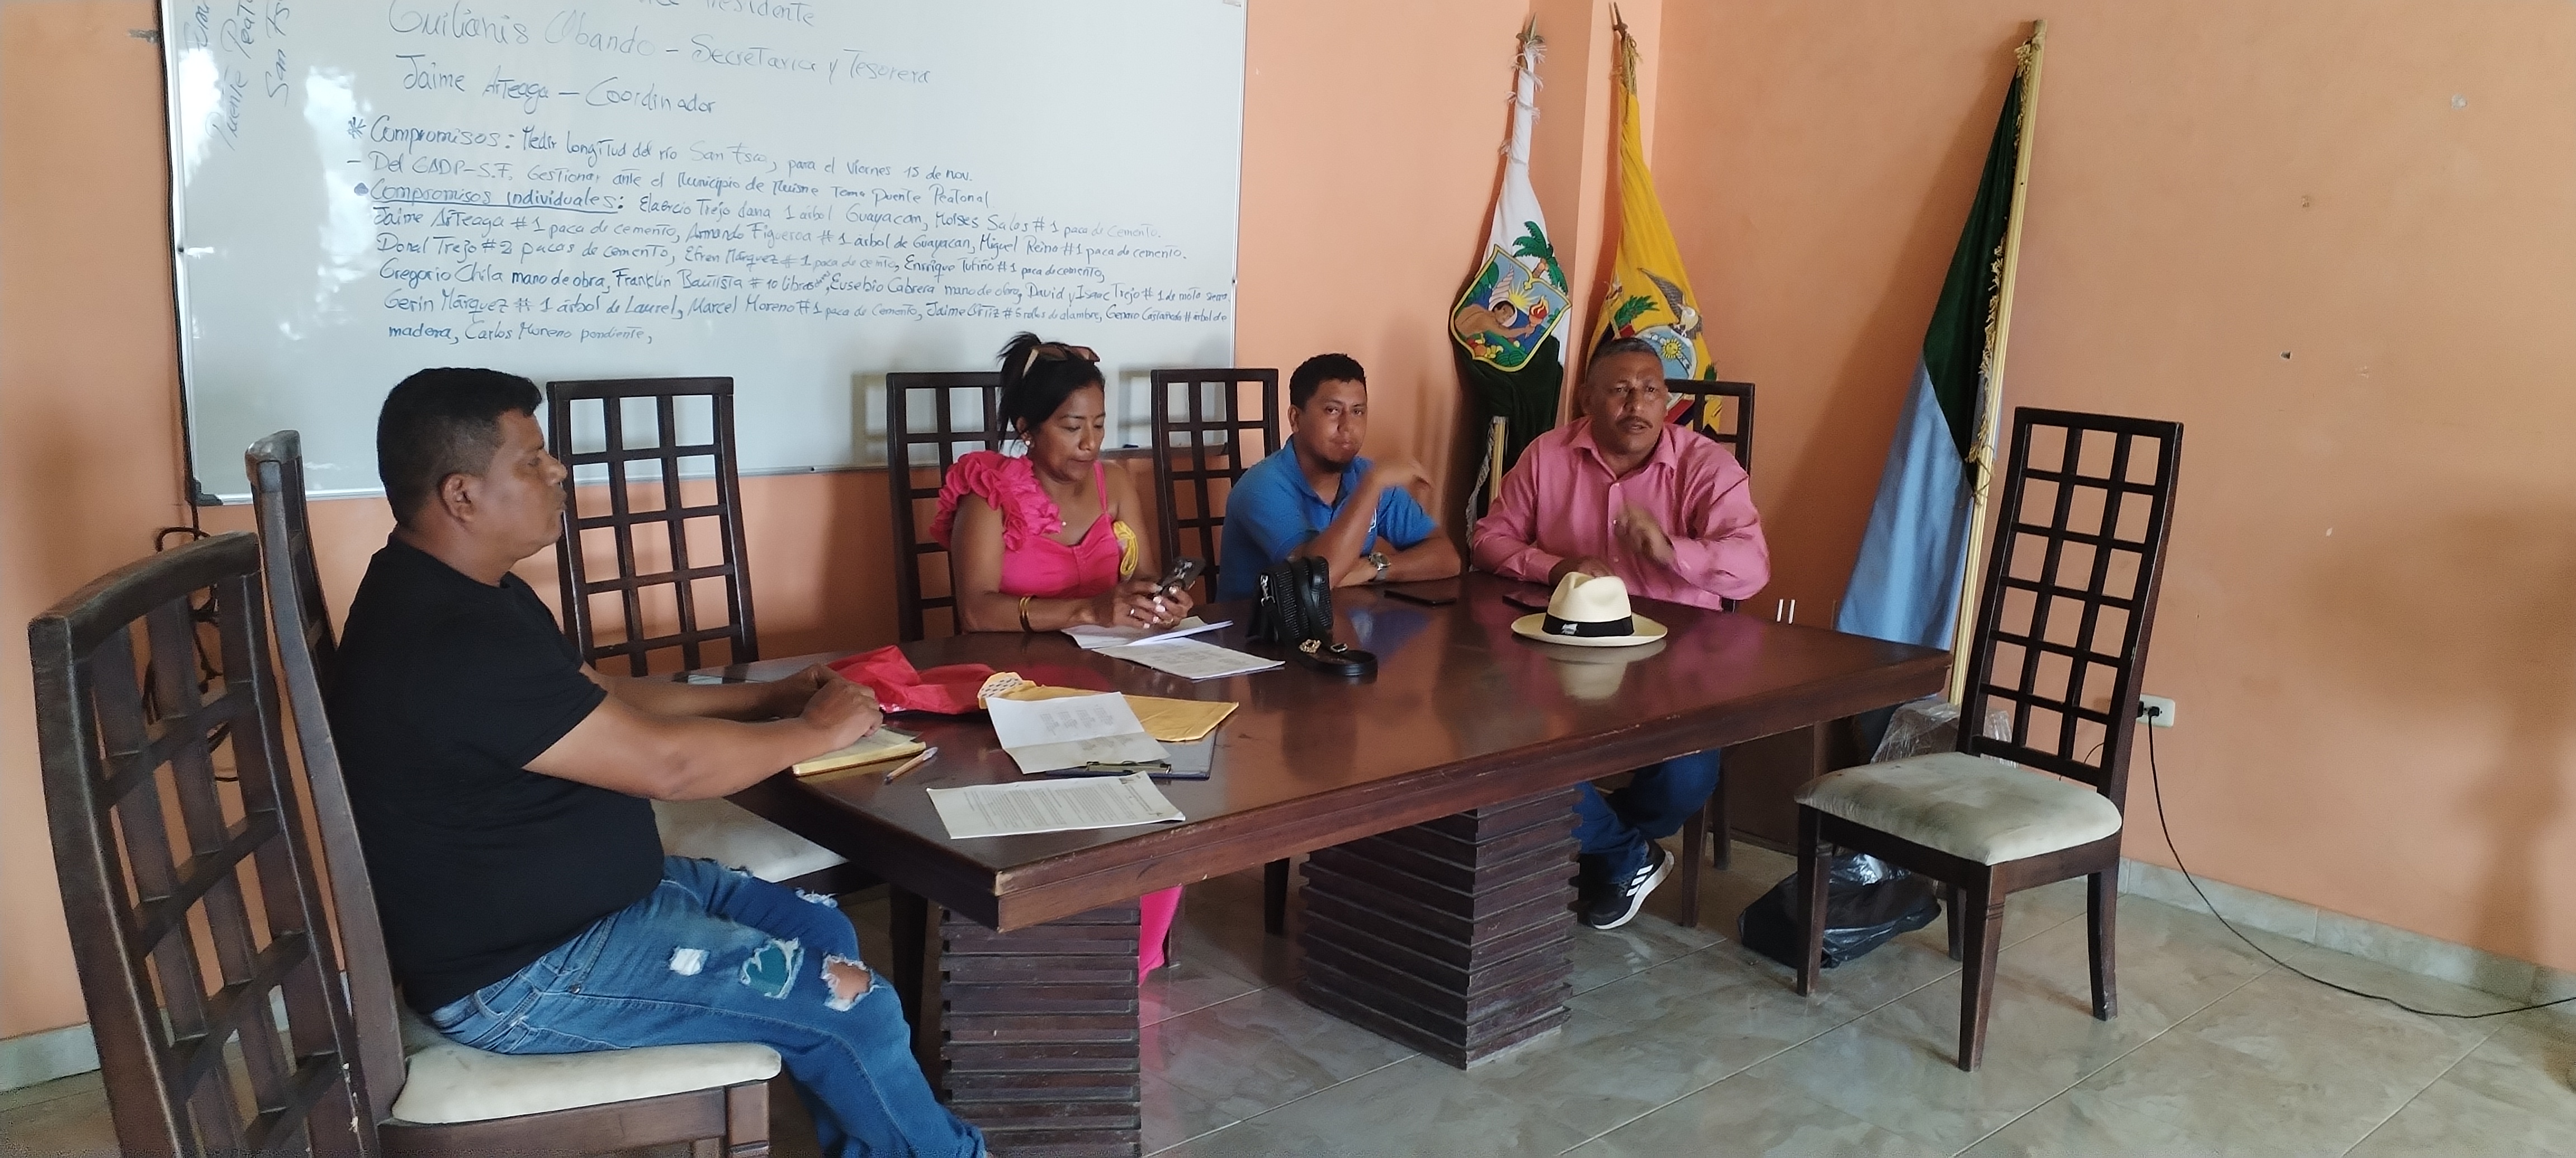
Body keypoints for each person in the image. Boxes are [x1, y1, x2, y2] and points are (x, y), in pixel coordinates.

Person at [330, 368, 982, 1158]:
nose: (558, 470)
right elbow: (668, 769)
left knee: (820, 927)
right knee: (858, 1006)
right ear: (461, 494)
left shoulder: (471, 590)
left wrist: (766, 699)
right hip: (530, 974)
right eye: (532, 460)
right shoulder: (449, 639)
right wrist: (814, 732)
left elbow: (601, 694)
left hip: (596, 902)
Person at [1469, 337, 1770, 931]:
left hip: (1677, 658)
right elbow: (1488, 540)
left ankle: (1602, 845)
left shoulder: (1705, 465)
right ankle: (1624, 855)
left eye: (1652, 390)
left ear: (1667, 400)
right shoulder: (1547, 455)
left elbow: (1752, 567)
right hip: (1564, 649)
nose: (1637, 404)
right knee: (1499, 738)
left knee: (1684, 777)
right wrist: (1556, 565)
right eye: (1620, 390)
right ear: (1587, 399)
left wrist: (1672, 551)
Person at [933, 333, 1190, 976]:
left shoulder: (1116, 483)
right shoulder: (989, 493)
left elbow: (1143, 577)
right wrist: (1086, 610)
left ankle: (1130, 960)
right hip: (1012, 692)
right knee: (1079, 801)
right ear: (1027, 428)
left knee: (1169, 790)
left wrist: (1159, 601)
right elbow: (975, 610)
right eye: (1072, 427)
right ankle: (1063, 960)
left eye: (1099, 424)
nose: (1090, 442)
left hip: (1109, 677)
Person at [1215, 354, 1460, 601]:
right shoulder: (1262, 486)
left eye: (1358, 411)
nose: (1348, 426)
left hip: (1341, 617)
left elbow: (1447, 558)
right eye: (1332, 410)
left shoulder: (1366, 473)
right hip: (1255, 624)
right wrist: (1373, 484)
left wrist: (1372, 568)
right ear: (1295, 419)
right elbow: (1317, 578)